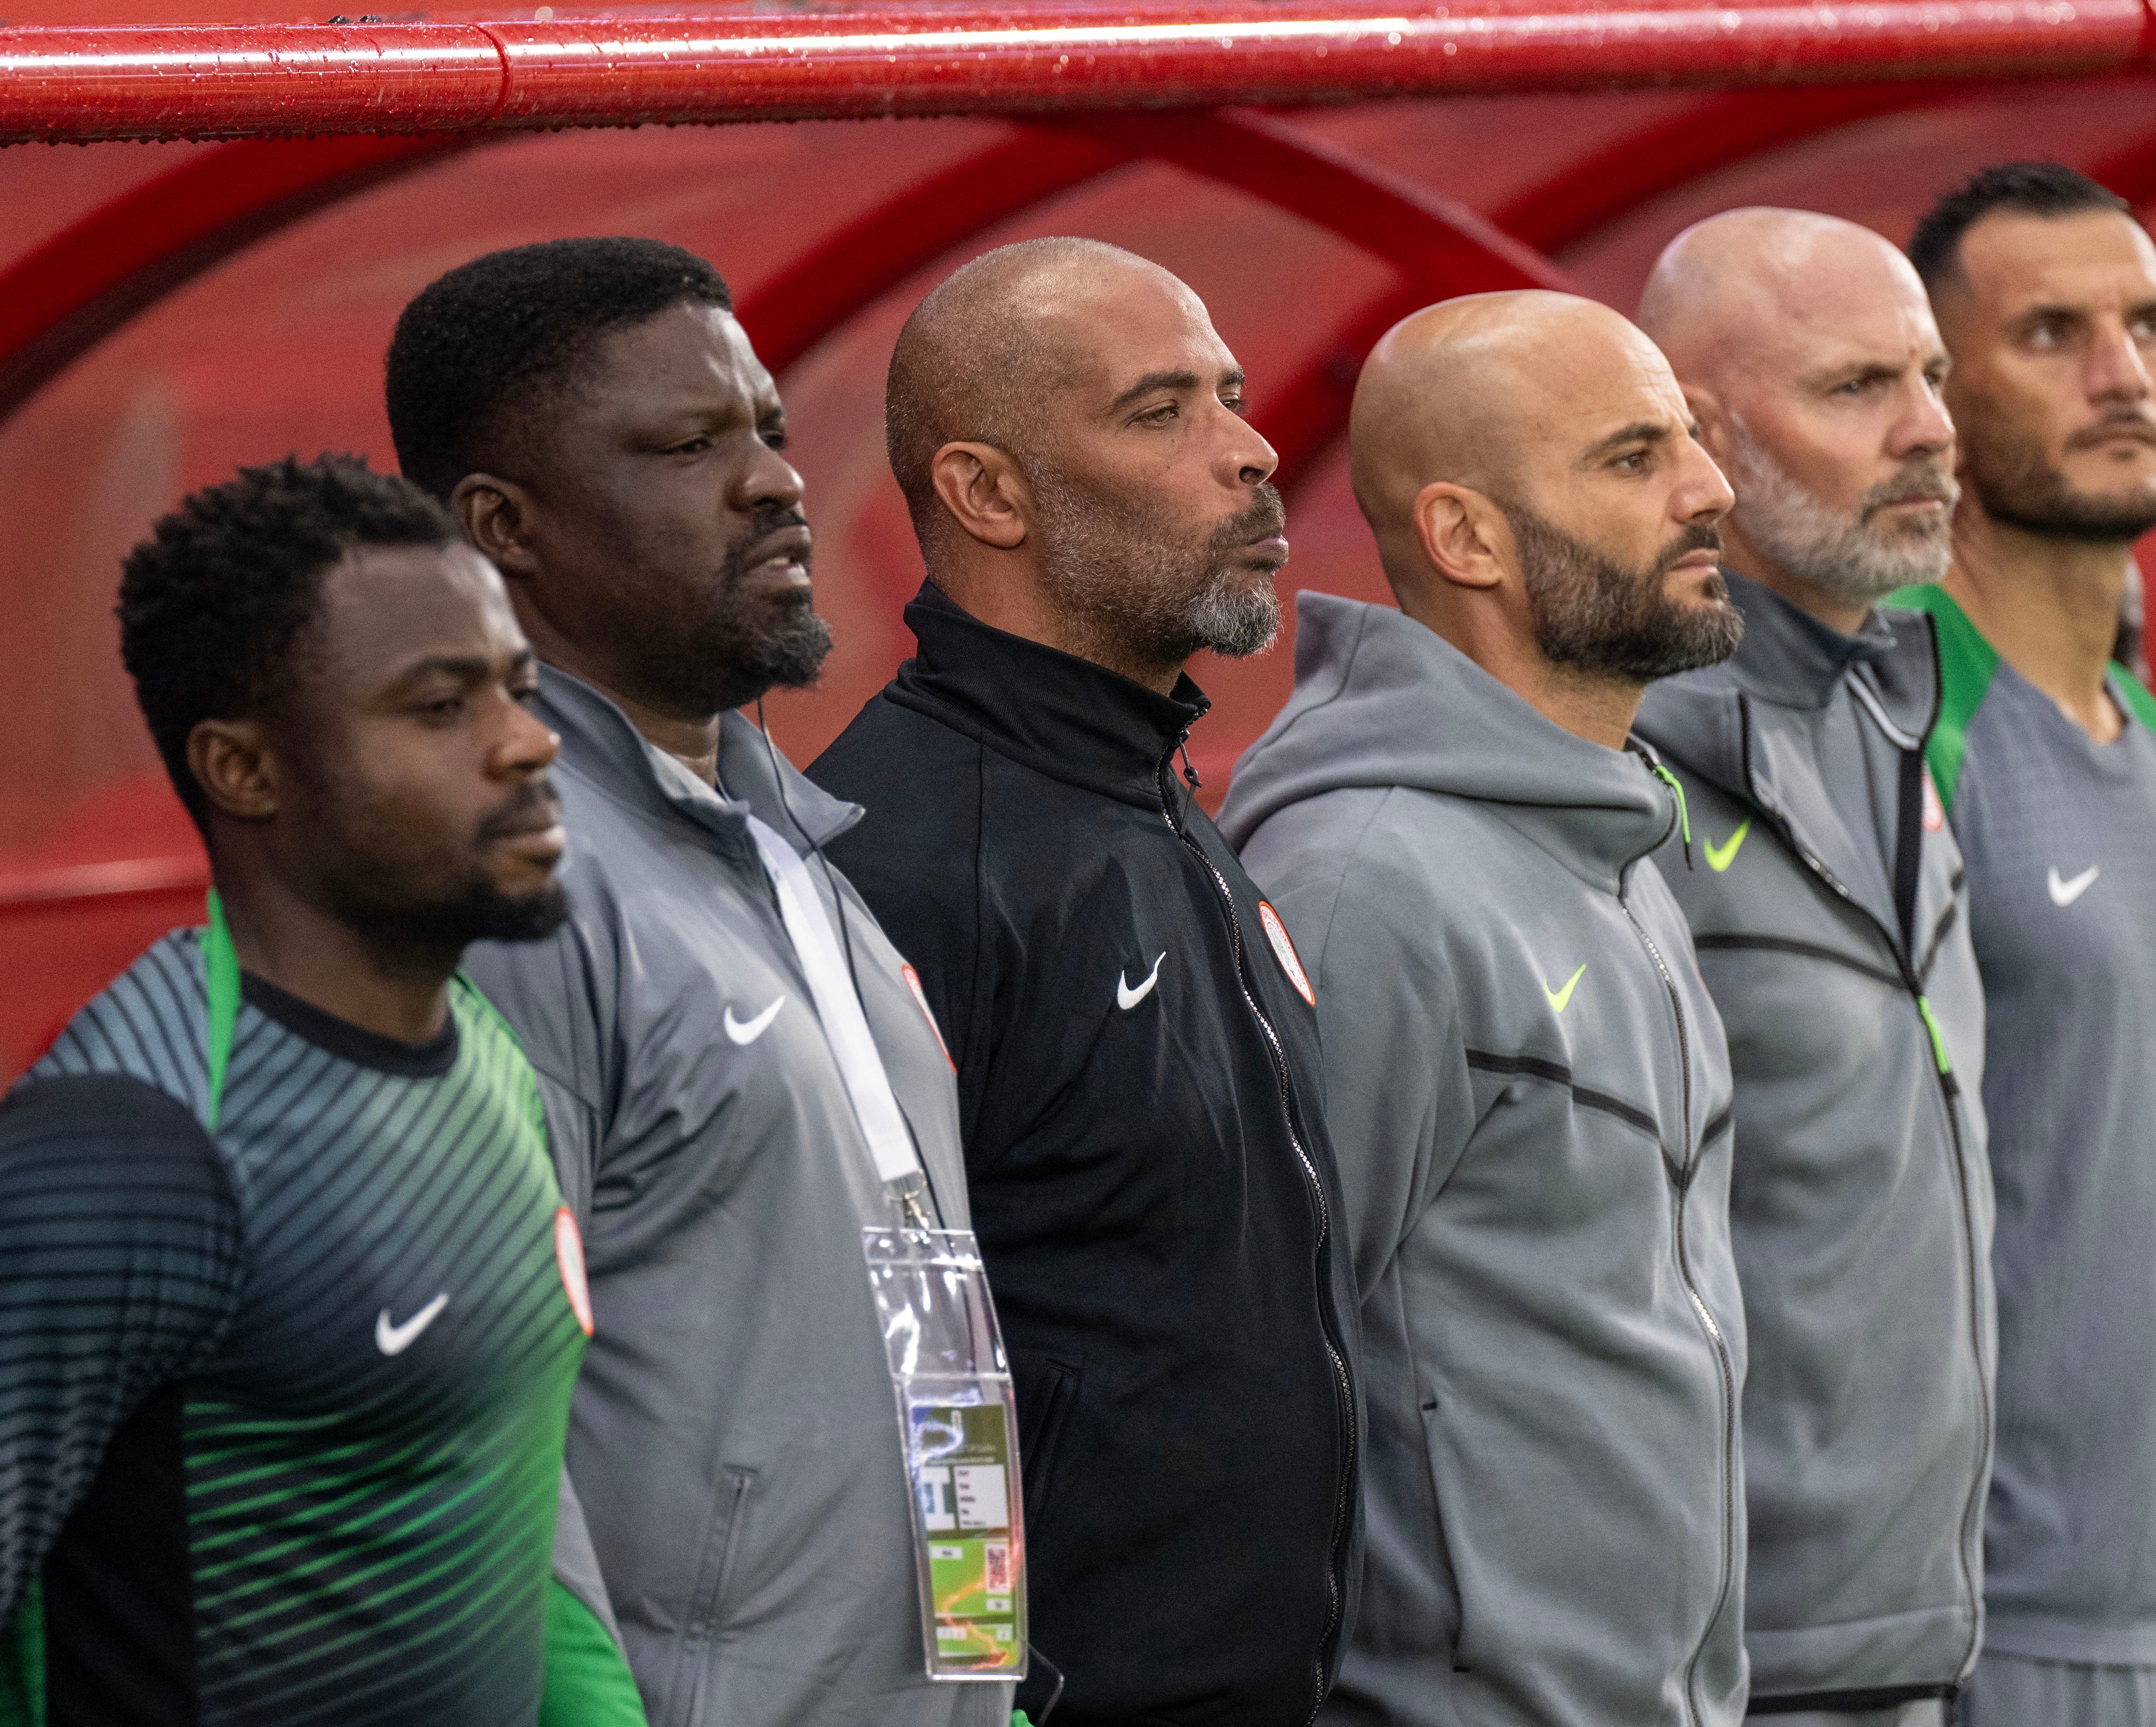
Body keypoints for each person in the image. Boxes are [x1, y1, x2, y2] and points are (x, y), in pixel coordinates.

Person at [385, 239, 1008, 1727]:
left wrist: (988, 1687)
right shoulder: (510, 891)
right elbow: (465, 1432)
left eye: (772, 434)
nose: (777, 483)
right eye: (688, 444)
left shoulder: (796, 848)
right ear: (500, 527)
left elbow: (926, 1319)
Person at [806, 237, 1359, 1727]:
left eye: (1232, 397)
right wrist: (1005, 1698)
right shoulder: (905, 858)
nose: (1251, 453)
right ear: (987, 494)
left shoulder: (1151, 785)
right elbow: (910, 1380)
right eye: (1160, 410)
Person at [0, 455, 633, 1723]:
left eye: (516, 686)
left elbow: (496, 1509)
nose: (529, 740)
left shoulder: (488, 1050)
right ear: (244, 770)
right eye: (441, 706)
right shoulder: (133, 1147)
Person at [1219, 288, 1750, 1727]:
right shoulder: (1361, 880)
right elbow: (1262, 1383)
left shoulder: (1617, 836)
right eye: (1636, 458)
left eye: (1691, 444)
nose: (1710, 491)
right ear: (1465, 538)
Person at [1632, 207, 1995, 1726]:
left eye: (1930, 375)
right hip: (1737, 1654)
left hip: (1926, 1623)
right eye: (1858, 388)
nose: (1928, 430)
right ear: (1699, 430)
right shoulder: (1625, 752)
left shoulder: (1885, 694)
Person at [1898, 163, 2156, 1727]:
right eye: (2052, 334)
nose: (2121, 372)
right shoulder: (1903, 729)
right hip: (1986, 1616)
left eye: (2149, 324)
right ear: (1938, 393)